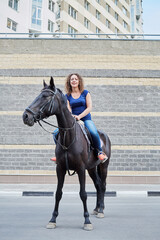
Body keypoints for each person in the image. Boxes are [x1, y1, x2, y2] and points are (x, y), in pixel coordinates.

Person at [51, 73, 108, 163]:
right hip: (73, 120)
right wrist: (72, 116)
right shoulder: (67, 96)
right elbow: (68, 110)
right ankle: (59, 154)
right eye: (72, 79)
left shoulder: (85, 93)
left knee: (93, 132)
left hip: (86, 119)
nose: (74, 81)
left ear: (79, 81)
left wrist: (80, 116)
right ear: (69, 82)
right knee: (55, 133)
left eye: (76, 79)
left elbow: (89, 108)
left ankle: (99, 151)